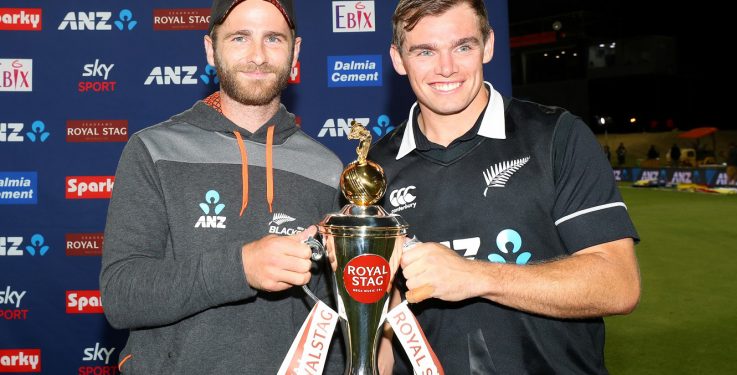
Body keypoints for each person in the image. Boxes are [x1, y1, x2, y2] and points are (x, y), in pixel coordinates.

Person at [370, 0, 641, 373]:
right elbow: (384, 320)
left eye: (463, 46)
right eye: (425, 51)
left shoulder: (555, 136)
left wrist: (475, 276)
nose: (446, 67)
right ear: (399, 59)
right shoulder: (373, 171)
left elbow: (618, 283)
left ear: (489, 44)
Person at [100, 1, 343, 373]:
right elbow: (122, 295)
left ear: (296, 51)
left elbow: (331, 315)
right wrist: (241, 268)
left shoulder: (327, 168)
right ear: (211, 49)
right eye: (240, 38)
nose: (258, 56)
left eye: (274, 39)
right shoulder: (155, 149)